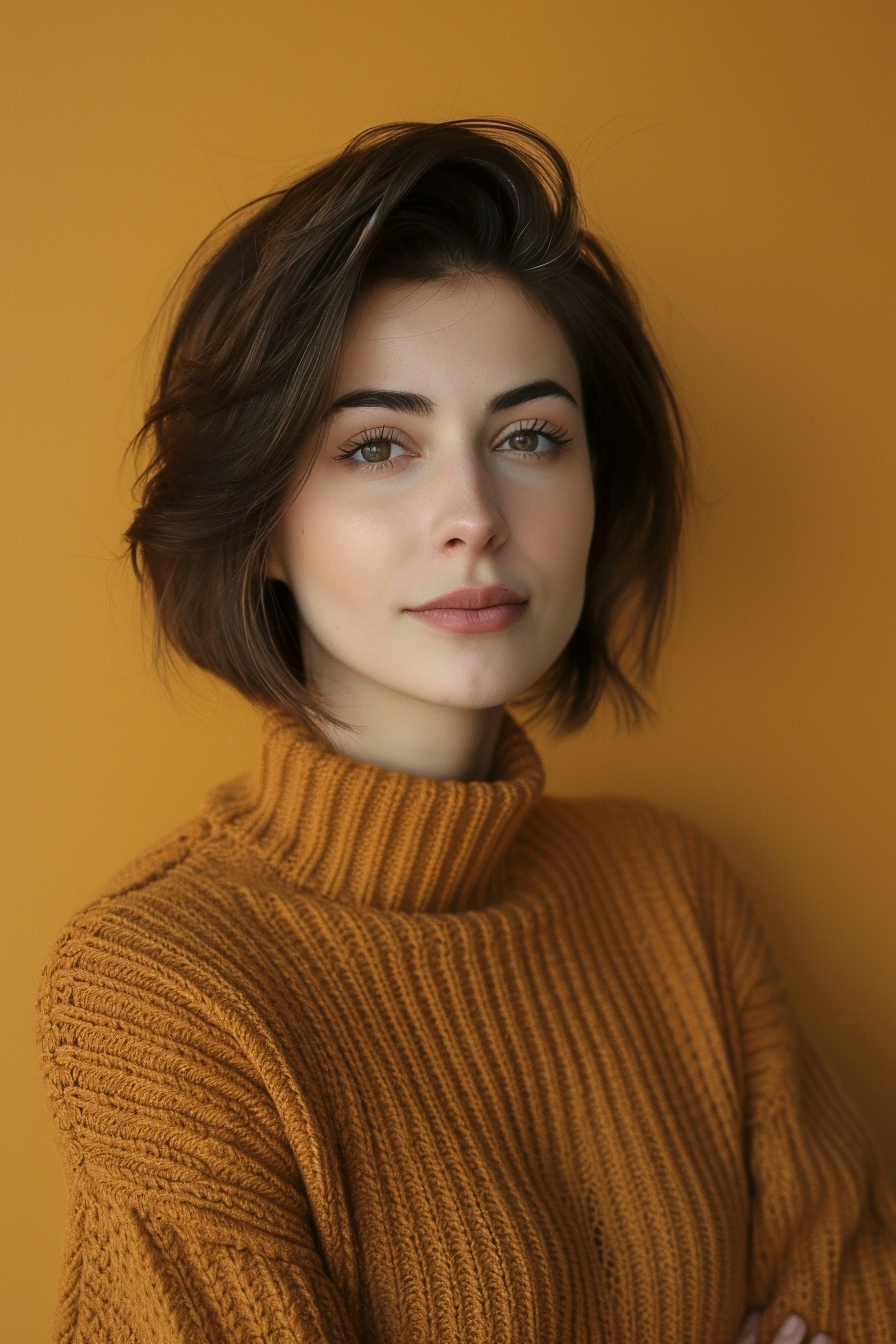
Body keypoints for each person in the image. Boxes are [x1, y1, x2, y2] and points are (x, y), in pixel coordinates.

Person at [35, 118, 895, 1343]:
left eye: (528, 436)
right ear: (263, 524)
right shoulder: (162, 990)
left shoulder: (675, 890)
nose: (474, 516)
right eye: (378, 446)